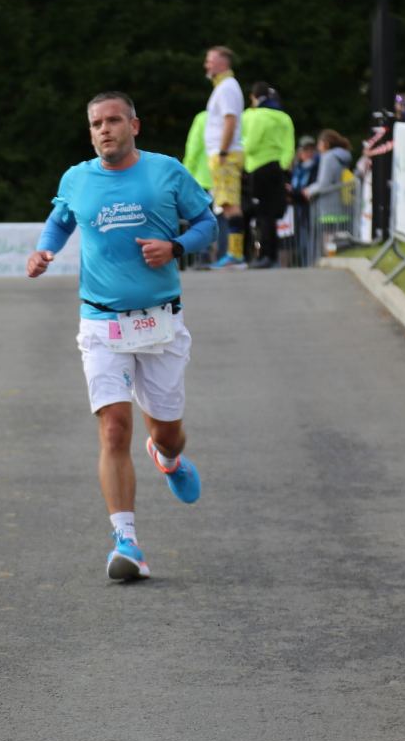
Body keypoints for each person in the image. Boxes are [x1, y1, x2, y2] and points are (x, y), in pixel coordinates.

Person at [26, 91, 217, 582]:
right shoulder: (77, 178)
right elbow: (60, 220)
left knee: (166, 431)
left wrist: (175, 246)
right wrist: (44, 251)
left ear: (135, 125)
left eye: (113, 120)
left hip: (160, 320)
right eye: (96, 124)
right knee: (114, 428)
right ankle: (126, 541)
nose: (104, 130)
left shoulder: (166, 171)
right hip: (101, 321)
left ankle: (167, 457)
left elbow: (207, 223)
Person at [241, 82, 293, 268]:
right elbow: (289, 147)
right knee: (271, 214)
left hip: (258, 167)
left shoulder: (255, 115)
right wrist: (282, 166)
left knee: (261, 214)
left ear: (254, 96)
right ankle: (272, 256)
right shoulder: (284, 117)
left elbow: (250, 145)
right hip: (276, 168)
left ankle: (262, 256)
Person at [202, 46, 245, 268]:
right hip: (222, 153)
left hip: (225, 154)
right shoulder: (223, 87)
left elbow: (230, 119)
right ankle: (234, 254)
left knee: (230, 204)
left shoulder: (227, 87)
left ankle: (236, 254)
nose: (206, 65)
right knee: (227, 204)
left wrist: (223, 151)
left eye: (210, 60)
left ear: (223, 63)